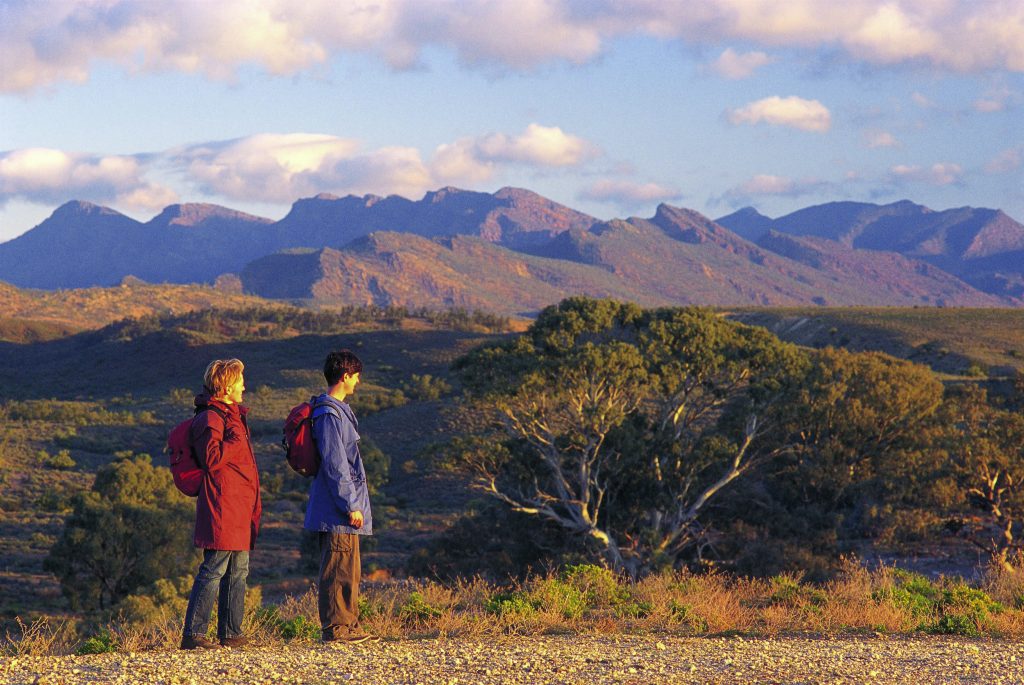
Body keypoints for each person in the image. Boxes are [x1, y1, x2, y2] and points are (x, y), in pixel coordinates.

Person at [180, 358, 262, 650]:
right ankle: (194, 634)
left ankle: (232, 633)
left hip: (238, 505)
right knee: (214, 568)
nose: (244, 386)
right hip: (223, 505)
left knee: (239, 569)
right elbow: (212, 459)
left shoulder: (231, 416)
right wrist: (234, 439)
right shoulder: (210, 418)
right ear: (226, 386)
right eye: (240, 381)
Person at [304, 349, 378, 644]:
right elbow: (336, 464)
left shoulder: (335, 412)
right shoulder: (329, 414)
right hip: (338, 508)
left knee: (349, 568)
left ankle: (349, 625)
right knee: (337, 568)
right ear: (345, 376)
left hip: (342, 506)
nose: (358, 382)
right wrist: (351, 505)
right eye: (356, 376)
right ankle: (336, 628)